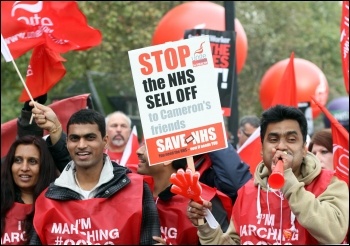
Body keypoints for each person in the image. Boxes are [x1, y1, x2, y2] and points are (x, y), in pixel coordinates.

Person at [187, 104, 349, 244]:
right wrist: (206, 227)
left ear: (304, 148)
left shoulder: (329, 185)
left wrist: (288, 181)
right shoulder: (248, 192)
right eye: (273, 139)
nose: (281, 147)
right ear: (261, 149)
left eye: (291, 140)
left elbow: (333, 233)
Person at [28, 107, 161, 245]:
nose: (81, 145)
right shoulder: (47, 200)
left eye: (90, 137)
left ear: (105, 141)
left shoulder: (137, 190)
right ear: (67, 142)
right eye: (74, 138)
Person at [136, 143, 232, 245]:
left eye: (147, 146)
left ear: (166, 158)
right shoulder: (134, 193)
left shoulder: (202, 201)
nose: (139, 151)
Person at [1, 135, 58, 245]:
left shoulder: (57, 207)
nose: (24, 168)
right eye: (18, 160)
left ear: (44, 166)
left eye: (32, 161)